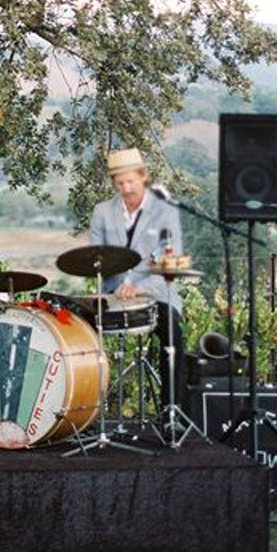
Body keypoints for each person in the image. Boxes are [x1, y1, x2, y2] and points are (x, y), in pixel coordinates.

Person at [89, 146, 185, 415]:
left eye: (131, 181)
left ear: (144, 177)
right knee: (78, 328)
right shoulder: (102, 212)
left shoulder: (165, 212)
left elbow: (172, 262)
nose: (126, 188)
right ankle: (86, 410)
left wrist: (140, 287)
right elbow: (95, 258)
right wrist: (113, 281)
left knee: (172, 331)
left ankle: (172, 411)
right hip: (113, 294)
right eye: (120, 183)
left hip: (156, 295)